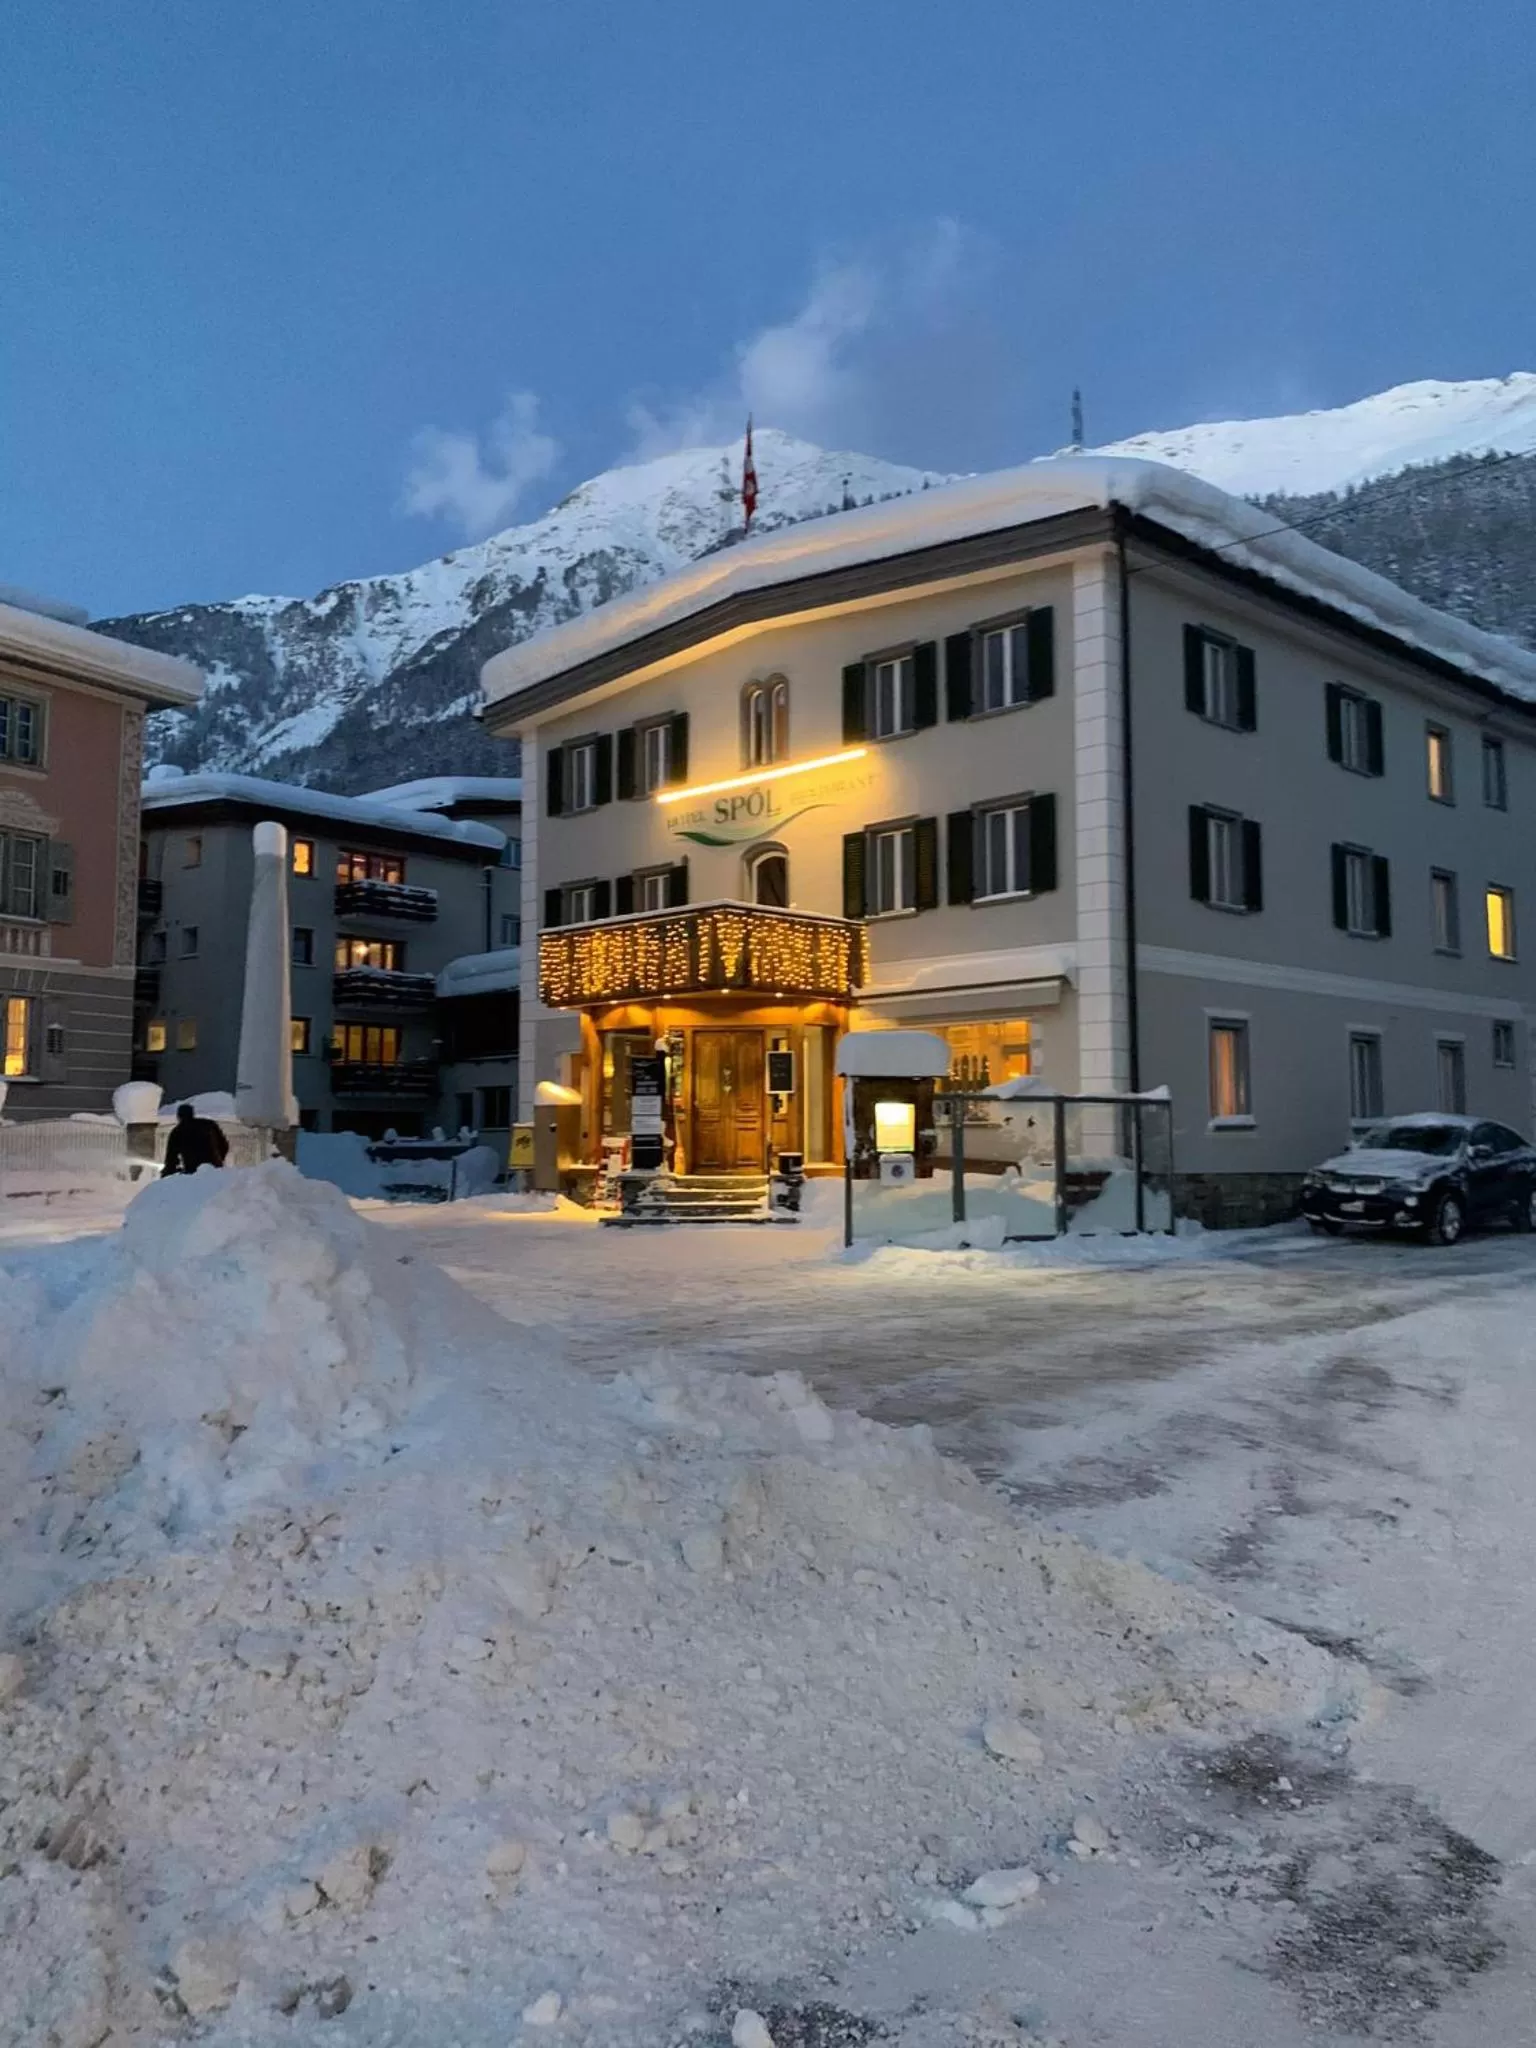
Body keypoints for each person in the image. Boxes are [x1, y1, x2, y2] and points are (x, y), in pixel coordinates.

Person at [162, 1101, 230, 1175]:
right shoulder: (209, 1125)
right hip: (214, 1168)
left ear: (178, 1116)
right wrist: (219, 1160)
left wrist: (167, 1173)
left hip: (192, 1171)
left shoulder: (177, 1131)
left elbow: (171, 1158)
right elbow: (224, 1146)